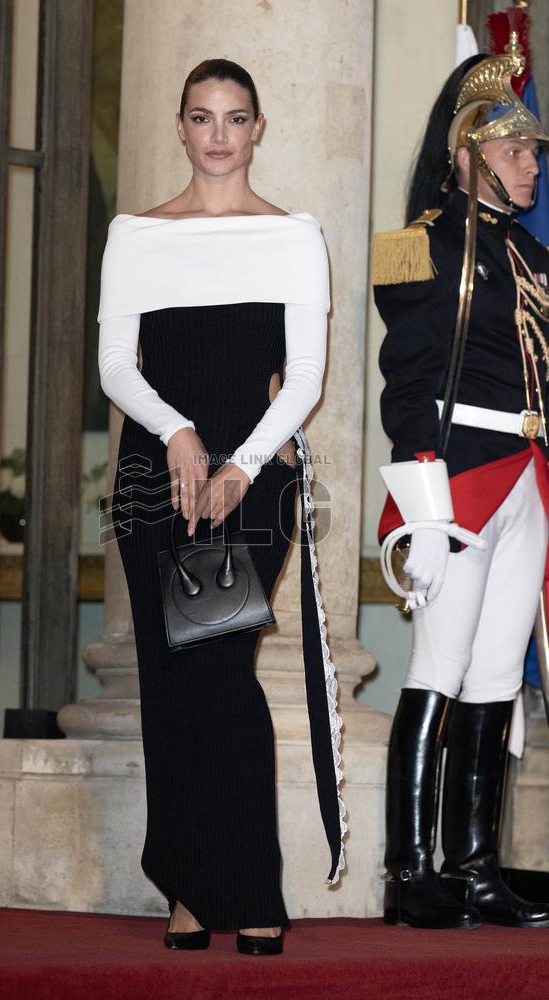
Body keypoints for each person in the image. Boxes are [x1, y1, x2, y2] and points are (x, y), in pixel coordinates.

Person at [97, 59, 344, 954]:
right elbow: (116, 365)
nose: (217, 136)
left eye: (234, 119)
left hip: (253, 478)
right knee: (171, 682)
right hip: (156, 478)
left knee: (223, 668)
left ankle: (244, 883)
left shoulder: (293, 235)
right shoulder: (134, 234)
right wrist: (174, 433)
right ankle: (191, 889)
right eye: (201, 118)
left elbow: (306, 377)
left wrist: (237, 463)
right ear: (180, 125)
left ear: (257, 128)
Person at [373, 39, 549, 930]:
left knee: (493, 676)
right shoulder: (415, 248)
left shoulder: (533, 259)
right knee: (439, 667)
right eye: (516, 149)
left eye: (533, 151)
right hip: (463, 478)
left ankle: (474, 869)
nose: (531, 165)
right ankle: (410, 873)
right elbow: (407, 387)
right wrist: (425, 508)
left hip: (528, 478)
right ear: (468, 149)